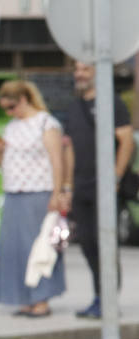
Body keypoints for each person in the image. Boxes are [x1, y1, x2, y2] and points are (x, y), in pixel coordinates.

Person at [61, 60, 134, 319]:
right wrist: (66, 187)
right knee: (88, 245)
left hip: (104, 187)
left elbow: (126, 141)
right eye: (77, 69)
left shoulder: (111, 103)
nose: (79, 74)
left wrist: (114, 177)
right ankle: (99, 297)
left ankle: (109, 301)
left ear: (97, 72)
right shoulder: (74, 106)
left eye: (85, 69)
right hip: (80, 187)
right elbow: (69, 149)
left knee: (106, 245)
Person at [0, 79, 67, 318]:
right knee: (14, 249)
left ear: (23, 100)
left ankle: (41, 298)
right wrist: (0, 151)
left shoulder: (46, 123)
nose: (9, 113)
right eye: (5, 109)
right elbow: (1, 164)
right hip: (13, 191)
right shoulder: (11, 127)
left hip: (38, 192)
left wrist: (57, 192)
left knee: (39, 247)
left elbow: (57, 160)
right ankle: (22, 297)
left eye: (11, 107)